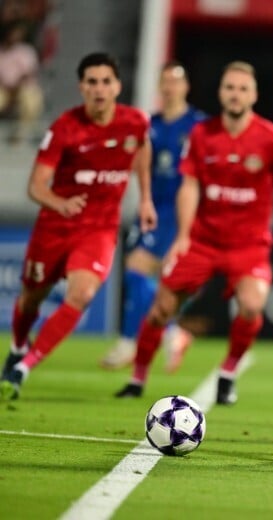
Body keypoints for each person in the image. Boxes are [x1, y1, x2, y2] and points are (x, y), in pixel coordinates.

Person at [113, 61, 273, 405]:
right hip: (202, 241)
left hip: (248, 245)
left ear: (254, 95)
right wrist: (183, 236)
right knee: (161, 309)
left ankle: (228, 374)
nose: (235, 94)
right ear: (220, 92)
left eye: (243, 89)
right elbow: (189, 185)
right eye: (230, 87)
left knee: (252, 305)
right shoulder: (202, 134)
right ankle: (137, 378)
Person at [0, 52, 155, 400]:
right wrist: (60, 203)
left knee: (82, 293)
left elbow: (142, 152)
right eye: (92, 82)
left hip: (99, 229)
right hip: (55, 228)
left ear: (117, 86)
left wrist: (145, 198)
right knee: (30, 299)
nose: (99, 89)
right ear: (81, 87)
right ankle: (19, 346)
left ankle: (24, 367)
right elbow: (36, 186)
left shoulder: (134, 123)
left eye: (106, 82)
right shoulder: (65, 128)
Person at [100, 62, 206, 373]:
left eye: (176, 81)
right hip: (151, 207)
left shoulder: (199, 125)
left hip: (180, 210)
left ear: (186, 87)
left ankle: (140, 339)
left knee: (138, 269)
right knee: (142, 276)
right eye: (166, 82)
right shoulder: (149, 124)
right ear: (160, 87)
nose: (170, 87)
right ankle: (160, 336)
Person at [0, 21, 44, 144]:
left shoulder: (26, 51)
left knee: (31, 102)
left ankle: (21, 132)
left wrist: (16, 85)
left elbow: (29, 73)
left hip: (23, 87)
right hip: (3, 88)